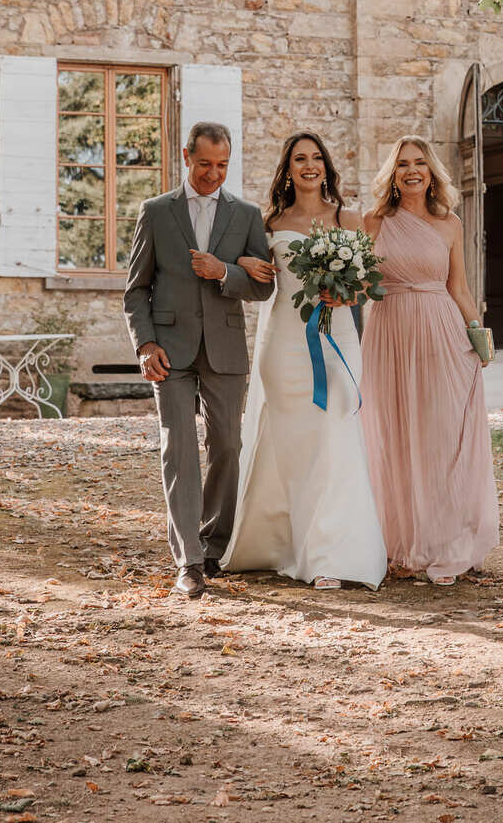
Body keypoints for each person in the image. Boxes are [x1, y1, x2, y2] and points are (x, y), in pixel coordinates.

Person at [220, 132, 386, 591]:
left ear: (326, 167)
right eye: (299, 159)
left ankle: (332, 554)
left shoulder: (349, 218)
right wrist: (244, 264)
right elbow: (256, 279)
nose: (309, 165)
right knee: (292, 446)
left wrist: (348, 293)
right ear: (288, 169)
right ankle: (287, 545)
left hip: (339, 339)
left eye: (316, 158)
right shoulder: (269, 222)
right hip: (284, 344)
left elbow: (371, 281)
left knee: (336, 435)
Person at [123, 121, 274, 600]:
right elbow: (135, 290)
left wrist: (224, 271)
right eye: (205, 163)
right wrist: (145, 345)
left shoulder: (246, 215)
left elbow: (264, 286)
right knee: (180, 447)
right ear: (187, 157)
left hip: (225, 349)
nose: (213, 173)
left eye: (222, 165)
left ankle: (214, 543)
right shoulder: (156, 212)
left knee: (228, 444)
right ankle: (188, 560)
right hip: (169, 350)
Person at [361, 135, 499, 585]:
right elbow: (361, 286)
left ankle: (444, 543)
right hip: (389, 333)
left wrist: (479, 338)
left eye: (419, 163)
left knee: (439, 437)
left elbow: (459, 287)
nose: (412, 171)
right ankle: (402, 544)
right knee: (395, 436)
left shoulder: (449, 224)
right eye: (402, 164)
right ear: (392, 174)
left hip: (441, 332)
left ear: (431, 171)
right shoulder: (374, 221)